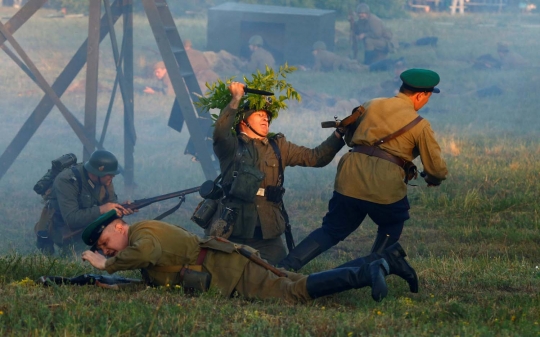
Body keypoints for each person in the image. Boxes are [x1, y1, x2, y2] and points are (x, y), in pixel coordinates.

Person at [278, 69, 448, 275]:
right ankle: (368, 272)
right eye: (427, 97)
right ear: (421, 95)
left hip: (350, 177)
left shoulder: (370, 104)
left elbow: (350, 138)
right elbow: (436, 169)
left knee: (332, 229)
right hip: (385, 187)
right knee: (392, 224)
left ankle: (284, 267)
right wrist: (432, 179)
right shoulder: (420, 125)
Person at [80, 210, 419, 303]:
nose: (105, 249)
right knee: (300, 281)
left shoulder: (142, 236)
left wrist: (107, 264)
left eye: (105, 241)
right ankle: (384, 261)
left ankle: (366, 273)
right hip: (235, 263)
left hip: (234, 271)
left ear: (120, 227)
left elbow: (147, 254)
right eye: (101, 249)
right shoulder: (139, 238)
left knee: (294, 293)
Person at [208, 81, 345, 265]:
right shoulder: (231, 146)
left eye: (267, 116)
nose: (266, 119)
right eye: (259, 114)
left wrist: (338, 135)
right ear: (243, 121)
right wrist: (235, 99)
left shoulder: (279, 147)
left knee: (279, 275)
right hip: (232, 229)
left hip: (267, 234)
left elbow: (316, 157)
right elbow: (220, 132)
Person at [37, 150, 132, 254]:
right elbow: (71, 219)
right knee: (81, 258)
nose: (113, 177)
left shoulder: (105, 179)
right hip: (62, 229)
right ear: (97, 173)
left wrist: (120, 208)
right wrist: (102, 209)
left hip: (89, 225)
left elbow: (110, 203)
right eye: (110, 174)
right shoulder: (67, 181)